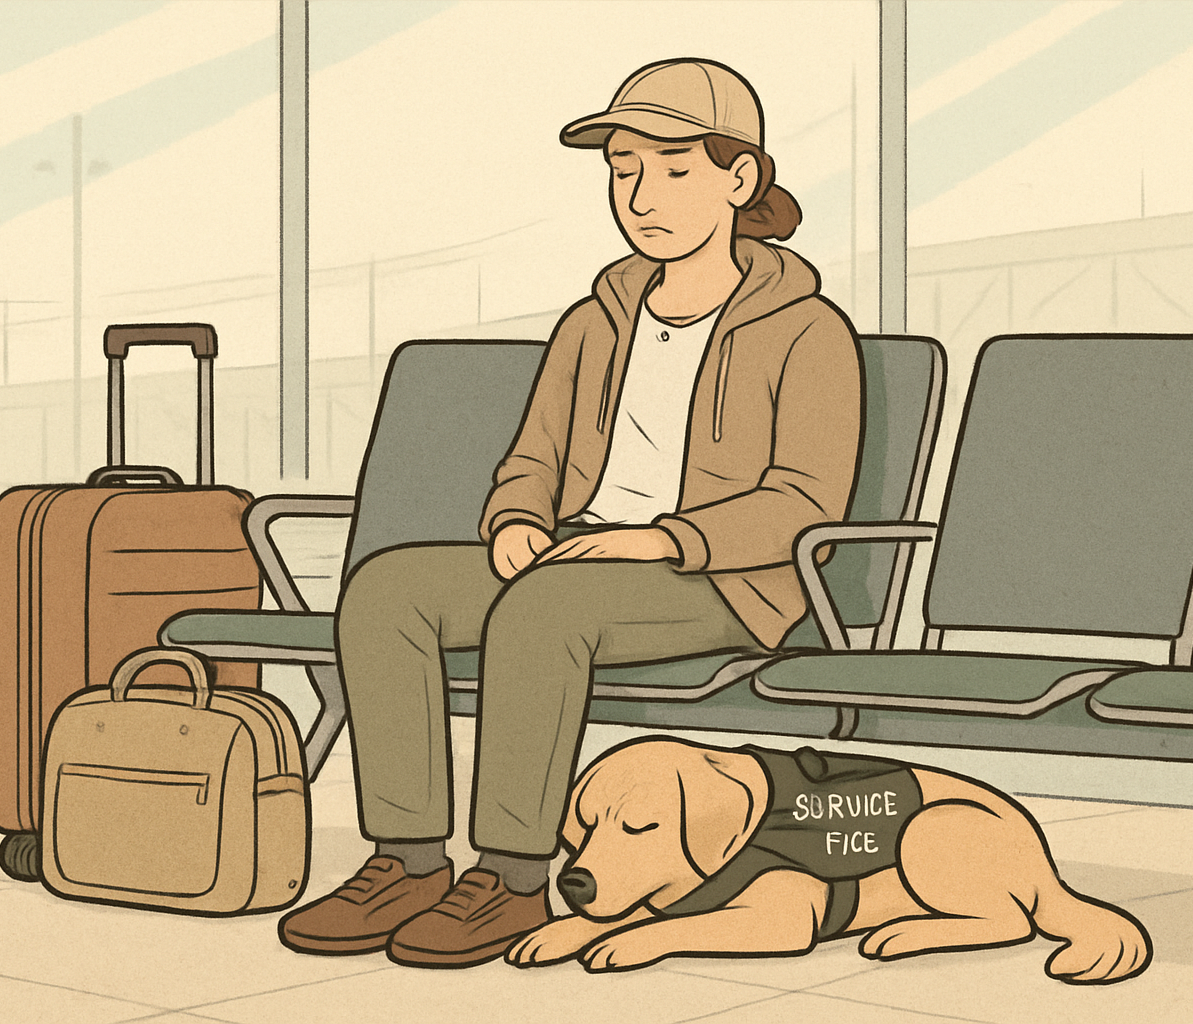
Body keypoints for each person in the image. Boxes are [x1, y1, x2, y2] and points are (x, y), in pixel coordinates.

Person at [278, 57, 865, 968]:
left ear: (739, 178)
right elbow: (534, 459)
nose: (642, 196)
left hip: (725, 579)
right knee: (391, 589)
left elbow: (804, 502)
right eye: (624, 171)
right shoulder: (595, 321)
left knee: (543, 612)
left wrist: (664, 539)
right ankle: (407, 860)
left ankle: (512, 877)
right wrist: (516, 520)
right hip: (583, 554)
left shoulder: (806, 329)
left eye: (675, 170)